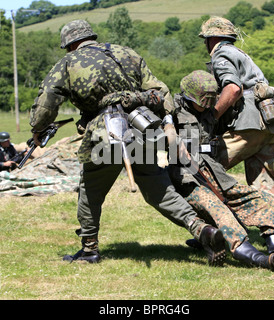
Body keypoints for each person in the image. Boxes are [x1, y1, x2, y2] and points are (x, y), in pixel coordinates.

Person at [29, 20, 225, 266]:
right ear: (92, 36)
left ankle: (89, 250)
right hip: (144, 129)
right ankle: (202, 231)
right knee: (160, 191)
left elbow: (47, 100)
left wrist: (37, 128)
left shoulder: (68, 63)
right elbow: (160, 90)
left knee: (90, 192)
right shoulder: (127, 53)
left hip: (106, 135)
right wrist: (167, 123)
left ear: (70, 45)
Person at [170, 70, 274, 268]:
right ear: (189, 96)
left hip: (214, 171)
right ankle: (257, 258)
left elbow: (234, 95)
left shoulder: (208, 111)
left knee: (255, 198)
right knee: (221, 213)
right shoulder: (171, 113)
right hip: (188, 177)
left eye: (210, 100)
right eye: (203, 101)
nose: (208, 106)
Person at [198, 16, 274, 250]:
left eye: (206, 40)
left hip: (246, 126)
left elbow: (233, 88)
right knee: (265, 184)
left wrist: (212, 116)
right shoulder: (242, 55)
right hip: (269, 124)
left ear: (212, 39)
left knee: (203, 172)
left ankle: (215, 234)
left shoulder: (222, 55)